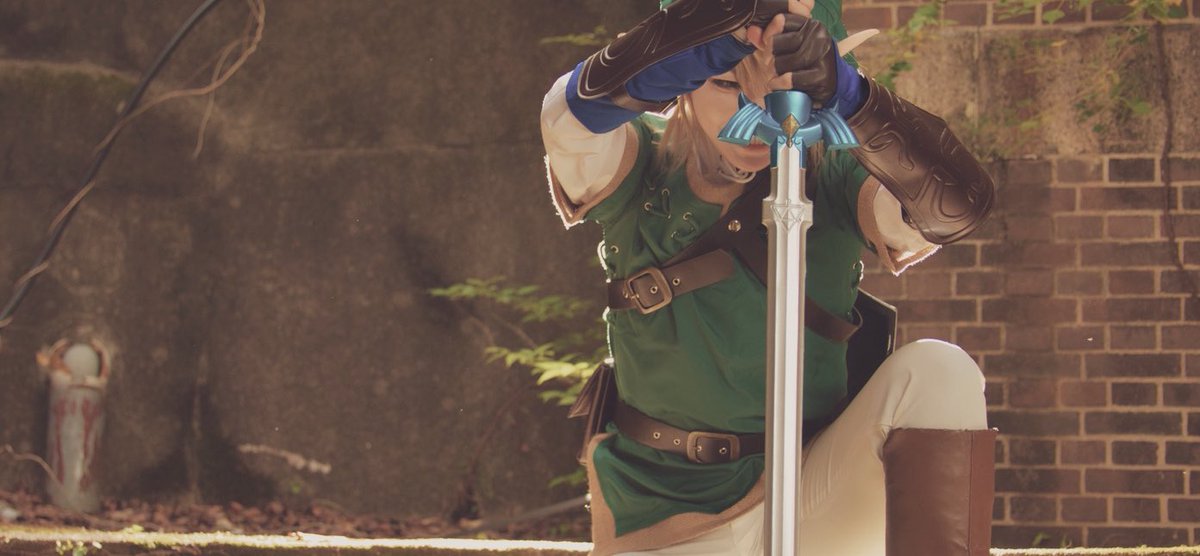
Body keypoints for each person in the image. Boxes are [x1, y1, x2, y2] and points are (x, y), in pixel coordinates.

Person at [540, 0, 997, 554]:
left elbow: (953, 210)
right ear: (683, 80)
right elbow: (565, 117)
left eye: (783, 90)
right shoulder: (637, 157)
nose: (759, 112)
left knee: (941, 371)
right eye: (727, 84)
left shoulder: (839, 172)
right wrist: (717, 37)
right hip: (665, 509)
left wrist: (850, 96)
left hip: (813, 491)